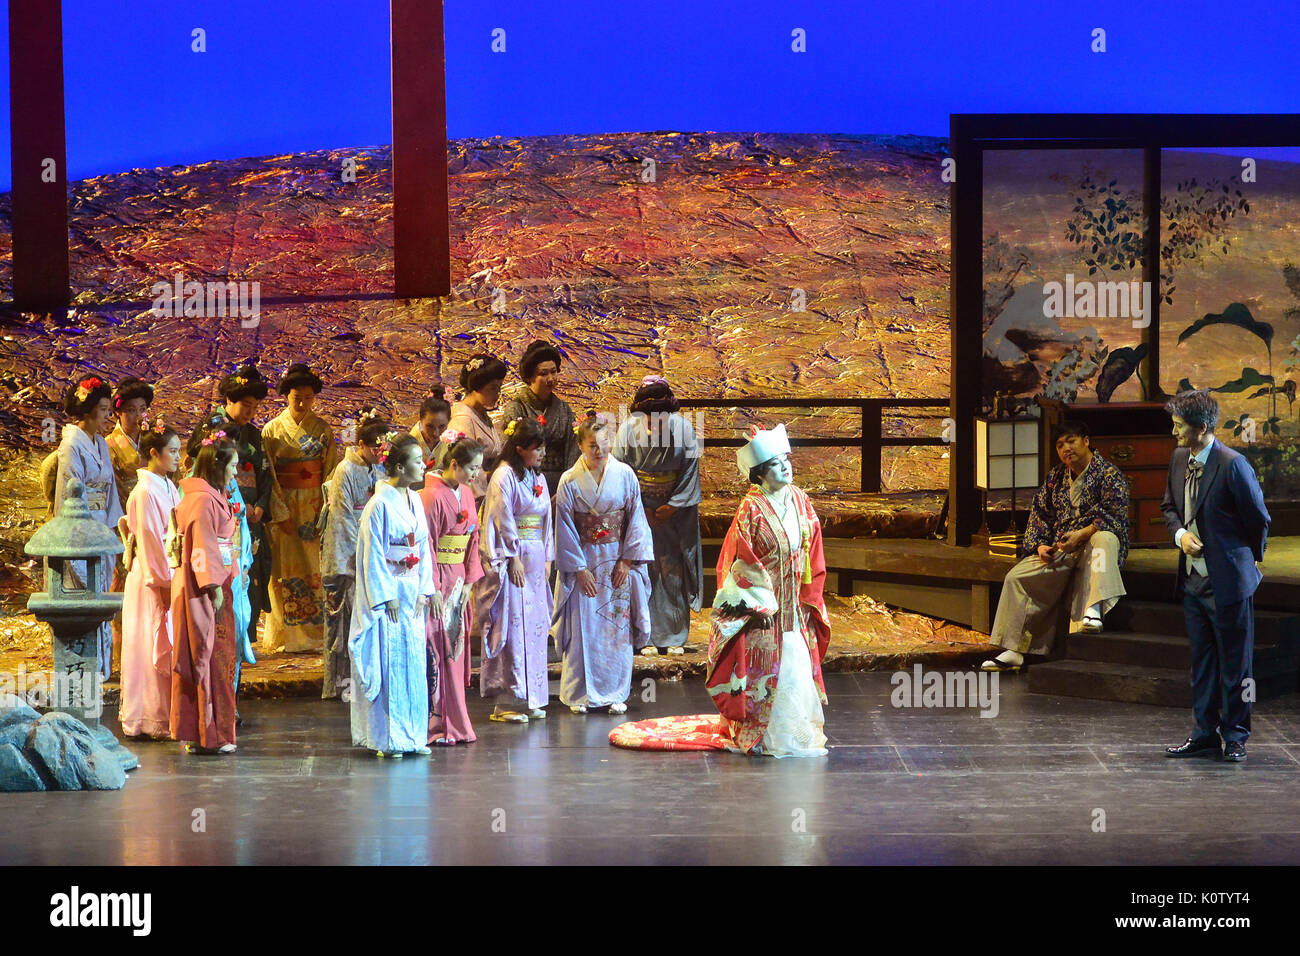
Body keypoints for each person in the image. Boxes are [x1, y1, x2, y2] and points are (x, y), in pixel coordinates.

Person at [708, 423, 831, 757]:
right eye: (776, 464)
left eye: (786, 460)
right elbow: (738, 559)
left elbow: (813, 550)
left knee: (796, 667)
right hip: (766, 610)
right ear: (760, 474)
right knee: (766, 669)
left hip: (794, 604)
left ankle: (797, 732)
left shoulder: (801, 501)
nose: (786, 467)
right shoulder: (751, 509)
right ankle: (761, 734)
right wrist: (759, 602)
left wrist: (810, 594)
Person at [1161, 390, 1270, 763]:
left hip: (1227, 581)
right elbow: (1169, 506)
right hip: (1193, 581)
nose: (1173, 431)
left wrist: (1250, 561)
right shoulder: (1178, 458)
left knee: (1237, 664)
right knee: (1203, 662)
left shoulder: (1232, 464)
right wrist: (1179, 535)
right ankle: (1205, 732)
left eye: (1179, 425)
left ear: (1201, 428)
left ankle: (1236, 735)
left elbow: (1258, 518)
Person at [982, 421, 1131, 672]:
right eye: (1060, 445)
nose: (1066, 449)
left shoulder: (1108, 474)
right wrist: (1041, 546)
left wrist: (1082, 534)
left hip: (1094, 541)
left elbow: (1115, 516)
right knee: (1018, 576)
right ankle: (1015, 649)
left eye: (1071, 441)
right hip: (1064, 546)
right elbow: (1040, 514)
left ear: (1086, 440)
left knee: (1105, 539)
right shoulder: (1056, 477)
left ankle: (1094, 610)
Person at [553, 412, 653, 714]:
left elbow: (635, 519)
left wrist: (627, 561)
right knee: (584, 624)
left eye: (604, 443)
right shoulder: (569, 480)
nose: (599, 451)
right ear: (581, 445)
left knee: (615, 626)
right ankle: (580, 693)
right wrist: (578, 569)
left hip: (615, 560)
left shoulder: (624, 475)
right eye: (592, 445)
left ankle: (615, 691)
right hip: (584, 558)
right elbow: (565, 527)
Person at [348, 433, 437, 758]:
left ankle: (413, 736)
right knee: (390, 663)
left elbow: (424, 547)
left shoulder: (414, 500)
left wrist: (426, 588)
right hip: (391, 592)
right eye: (416, 460)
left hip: (412, 590)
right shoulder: (378, 504)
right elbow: (372, 555)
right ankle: (388, 738)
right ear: (399, 466)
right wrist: (386, 596)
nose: (423, 465)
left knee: (413, 663)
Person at [612, 375, 703, 656]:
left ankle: (674, 635)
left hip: (674, 513)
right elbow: (621, 472)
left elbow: (690, 471)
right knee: (643, 570)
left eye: (661, 416)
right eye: (650, 416)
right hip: (640, 511)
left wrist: (672, 506)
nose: (655, 421)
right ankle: (644, 635)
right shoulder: (628, 431)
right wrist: (641, 509)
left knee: (672, 570)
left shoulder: (685, 430)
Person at [187, 365, 274, 652]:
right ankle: (223, 640)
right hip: (223, 508)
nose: (250, 412)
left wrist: (261, 505)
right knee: (227, 575)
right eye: (245, 405)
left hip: (250, 513)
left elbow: (263, 472)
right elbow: (199, 460)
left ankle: (245, 639)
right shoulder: (212, 427)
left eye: (254, 407)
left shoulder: (254, 434)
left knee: (253, 573)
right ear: (228, 401)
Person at [477, 417, 553, 722]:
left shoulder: (537, 476)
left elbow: (546, 519)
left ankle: (531, 696)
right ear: (520, 448)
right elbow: (501, 516)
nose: (542, 454)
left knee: (534, 627)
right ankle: (507, 700)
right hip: (515, 559)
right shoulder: (504, 476)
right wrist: (512, 556)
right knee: (511, 624)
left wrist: (548, 557)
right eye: (538, 448)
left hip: (535, 557)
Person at [262, 363, 340, 653]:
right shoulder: (272, 430)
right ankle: (285, 635)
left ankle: (314, 633)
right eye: (297, 396)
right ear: (286, 395)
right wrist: (279, 511)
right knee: (283, 569)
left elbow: (331, 471)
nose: (302, 402)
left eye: (308, 397)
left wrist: (326, 508)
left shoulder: (322, 429)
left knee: (313, 568)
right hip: (284, 506)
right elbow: (268, 473)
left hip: (313, 506)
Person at [170, 436, 240, 755]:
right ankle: (212, 734)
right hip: (207, 586)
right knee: (210, 654)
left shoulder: (209, 496)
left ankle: (208, 732)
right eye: (233, 467)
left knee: (218, 657)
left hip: (217, 579)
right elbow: (202, 546)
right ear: (218, 466)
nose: (235, 474)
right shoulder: (201, 501)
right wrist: (213, 586)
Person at [54, 375, 123, 679]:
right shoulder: (71, 445)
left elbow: (110, 492)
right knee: (83, 599)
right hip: (80, 530)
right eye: (105, 409)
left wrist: (113, 528)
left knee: (101, 598)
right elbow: (71, 493)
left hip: (100, 529)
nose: (109, 416)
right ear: (90, 411)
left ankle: (103, 668)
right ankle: (82, 671)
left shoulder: (100, 444)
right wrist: (83, 530)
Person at [419, 431, 485, 744]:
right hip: (440, 578)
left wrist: (470, 582)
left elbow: (474, 539)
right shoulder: (430, 496)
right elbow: (427, 545)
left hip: (458, 575)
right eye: (472, 469)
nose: (476, 475)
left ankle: (456, 722)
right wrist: (431, 587)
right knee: (440, 650)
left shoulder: (467, 495)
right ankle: (439, 724)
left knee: (455, 650)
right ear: (455, 463)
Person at [319, 409, 389, 700]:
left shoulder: (380, 469)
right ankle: (341, 686)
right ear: (360, 444)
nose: (378, 452)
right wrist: (360, 557)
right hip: (350, 554)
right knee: (345, 621)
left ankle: (366, 682)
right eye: (373, 446)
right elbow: (342, 519)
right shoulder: (344, 471)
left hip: (371, 549)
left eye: (381, 447)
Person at [118, 422, 181, 738]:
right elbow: (151, 540)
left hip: (169, 571)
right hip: (151, 576)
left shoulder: (168, 485)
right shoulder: (144, 492)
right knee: (148, 644)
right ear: (153, 453)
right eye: (172, 451)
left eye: (179, 451)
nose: (178, 458)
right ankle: (147, 718)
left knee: (165, 643)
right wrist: (166, 581)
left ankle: (168, 714)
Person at [499, 340, 580, 500]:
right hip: (525, 484)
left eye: (554, 372)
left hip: (559, 485)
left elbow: (572, 449)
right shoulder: (517, 408)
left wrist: (567, 485)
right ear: (530, 377)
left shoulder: (564, 409)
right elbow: (512, 453)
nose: (551, 378)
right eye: (543, 374)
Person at [446, 354, 507, 505]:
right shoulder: (462, 419)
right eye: (493, 388)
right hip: (475, 499)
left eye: (499, 388)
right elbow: (465, 465)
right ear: (477, 386)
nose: (497, 394)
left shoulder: (482, 414)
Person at [107, 376, 153, 513]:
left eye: (142, 409)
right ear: (118, 412)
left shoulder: (153, 437)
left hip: (157, 505)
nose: (138, 415)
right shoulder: (109, 444)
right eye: (131, 410)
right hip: (128, 509)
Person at [410, 391, 452, 466]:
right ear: (420, 419)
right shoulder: (410, 444)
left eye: (442, 426)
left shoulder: (452, 440)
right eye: (430, 426)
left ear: (449, 420)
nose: (436, 433)